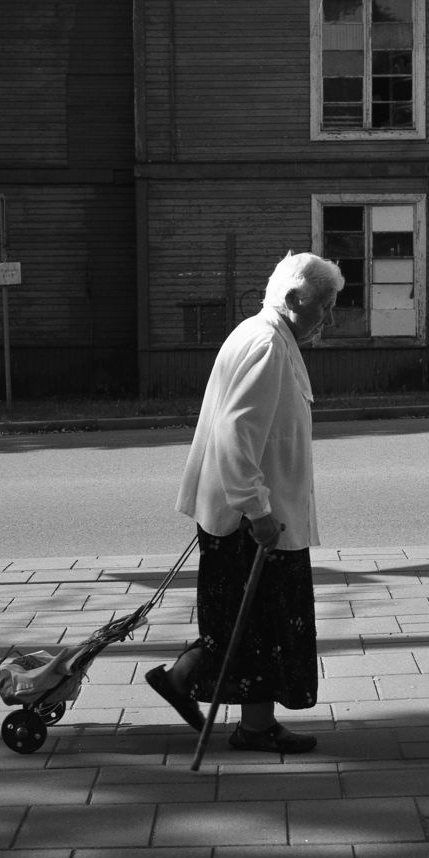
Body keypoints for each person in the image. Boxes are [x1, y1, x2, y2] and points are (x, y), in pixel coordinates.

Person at [145, 250, 344, 754]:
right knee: (261, 624)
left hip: (247, 511)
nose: (329, 318)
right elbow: (237, 433)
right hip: (252, 518)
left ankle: (186, 682)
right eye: (324, 306)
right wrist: (257, 510)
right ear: (294, 298)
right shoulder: (268, 345)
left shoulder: (262, 333)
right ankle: (253, 727)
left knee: (242, 618)